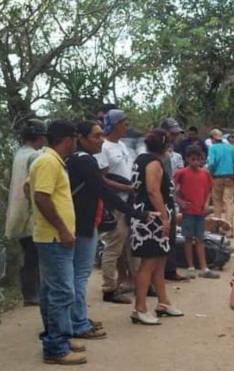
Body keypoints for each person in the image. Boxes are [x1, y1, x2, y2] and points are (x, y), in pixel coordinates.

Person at [67, 121, 153, 340]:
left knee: (75, 274)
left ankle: (76, 318)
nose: (100, 140)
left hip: (81, 221)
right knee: (80, 275)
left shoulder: (74, 159)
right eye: (95, 136)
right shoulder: (85, 161)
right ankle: (78, 322)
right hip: (83, 223)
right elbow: (103, 190)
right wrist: (135, 212)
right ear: (81, 139)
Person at [29, 120, 84, 365]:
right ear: (67, 139)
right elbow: (41, 197)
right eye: (74, 137)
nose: (75, 142)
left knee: (52, 290)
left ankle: (57, 336)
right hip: (53, 237)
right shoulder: (48, 162)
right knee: (62, 291)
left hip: (51, 236)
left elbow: (32, 189)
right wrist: (62, 229)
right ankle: (56, 346)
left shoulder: (49, 161)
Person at [130, 129, 184, 325]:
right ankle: (140, 307)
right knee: (149, 262)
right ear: (166, 146)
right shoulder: (153, 163)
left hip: (150, 215)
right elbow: (153, 191)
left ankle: (163, 302)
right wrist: (164, 217)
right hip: (152, 218)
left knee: (160, 260)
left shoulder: (140, 159)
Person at [95, 109, 136, 304]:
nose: (125, 126)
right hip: (114, 203)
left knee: (129, 243)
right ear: (115, 124)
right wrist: (126, 187)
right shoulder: (103, 148)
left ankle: (132, 280)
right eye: (123, 122)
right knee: (113, 245)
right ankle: (109, 287)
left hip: (128, 202)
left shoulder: (121, 146)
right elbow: (101, 179)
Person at [5, 120, 46, 306]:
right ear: (40, 137)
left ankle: (29, 293)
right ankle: (32, 294)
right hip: (31, 214)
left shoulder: (19, 154)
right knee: (34, 256)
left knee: (29, 255)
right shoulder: (36, 156)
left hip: (17, 212)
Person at [174, 145, 220, 280]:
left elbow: (209, 190)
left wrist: (206, 203)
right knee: (188, 239)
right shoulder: (181, 173)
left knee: (200, 238)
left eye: (198, 159)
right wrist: (180, 202)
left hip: (200, 211)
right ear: (187, 159)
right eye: (192, 159)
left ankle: (204, 266)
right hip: (188, 211)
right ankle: (191, 267)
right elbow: (173, 190)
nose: (195, 162)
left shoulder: (205, 173)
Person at [159, 118, 188, 281]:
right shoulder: (155, 152)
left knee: (170, 235)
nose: (175, 136)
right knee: (162, 235)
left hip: (169, 196)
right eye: (173, 133)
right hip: (159, 197)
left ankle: (170, 270)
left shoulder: (172, 151)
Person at [207, 128, 234, 238]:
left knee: (217, 203)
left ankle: (217, 229)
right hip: (230, 177)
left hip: (217, 177)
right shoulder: (232, 147)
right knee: (228, 202)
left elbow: (211, 163)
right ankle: (229, 230)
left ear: (212, 138)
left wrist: (210, 174)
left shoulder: (213, 148)